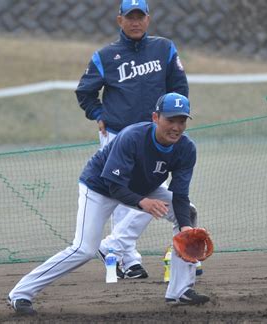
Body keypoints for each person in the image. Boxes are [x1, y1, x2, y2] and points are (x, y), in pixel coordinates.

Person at [8, 93, 210, 315]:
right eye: (170, 120)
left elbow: (179, 195)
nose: (176, 127)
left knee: (187, 214)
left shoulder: (186, 148)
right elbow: (114, 186)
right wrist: (143, 202)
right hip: (100, 186)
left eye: (181, 121)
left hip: (141, 186)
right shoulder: (132, 137)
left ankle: (181, 290)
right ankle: (21, 294)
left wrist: (185, 229)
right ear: (155, 117)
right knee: (84, 249)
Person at [75, 0, 195, 279]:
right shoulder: (106, 56)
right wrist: (97, 113)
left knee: (152, 197)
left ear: (148, 19)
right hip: (118, 135)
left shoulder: (164, 48)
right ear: (120, 21)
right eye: (130, 16)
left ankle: (115, 248)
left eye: (140, 16)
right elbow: (84, 92)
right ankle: (127, 260)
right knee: (120, 196)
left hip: (156, 138)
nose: (135, 21)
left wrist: (176, 121)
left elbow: (179, 87)